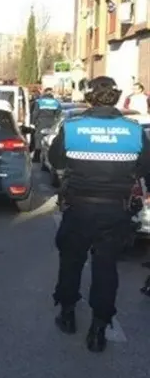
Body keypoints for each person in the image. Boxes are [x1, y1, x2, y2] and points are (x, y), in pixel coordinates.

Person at [47, 76, 150, 353]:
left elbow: (55, 161)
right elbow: (144, 169)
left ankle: (67, 315)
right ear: (115, 97)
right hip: (115, 210)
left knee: (71, 262)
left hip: (78, 208)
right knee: (106, 269)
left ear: (90, 97)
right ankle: (98, 330)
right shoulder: (133, 130)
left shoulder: (73, 127)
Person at [31, 88, 62, 161]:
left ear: (44, 93)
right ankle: (50, 156)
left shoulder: (39, 101)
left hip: (41, 122)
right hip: (52, 122)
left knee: (39, 138)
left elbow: (35, 113)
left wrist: (32, 123)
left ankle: (37, 157)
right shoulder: (56, 102)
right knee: (50, 138)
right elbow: (59, 114)